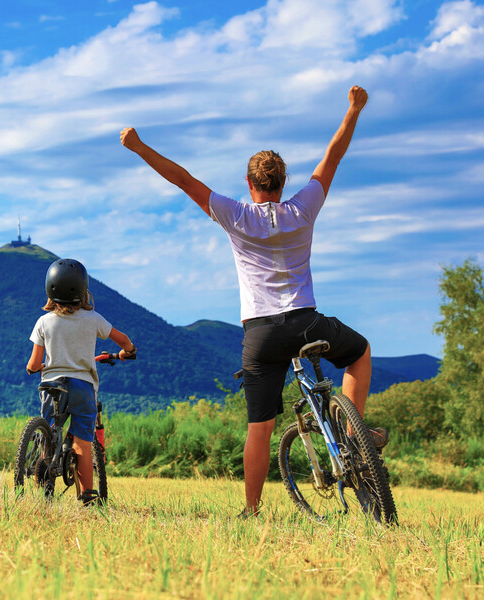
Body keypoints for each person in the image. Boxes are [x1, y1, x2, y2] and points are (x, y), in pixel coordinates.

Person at [120, 85, 386, 517]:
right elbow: (332, 157)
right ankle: (354, 437)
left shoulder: (236, 214)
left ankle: (252, 510)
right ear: (283, 183)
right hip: (305, 322)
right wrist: (353, 109)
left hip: (259, 334)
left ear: (249, 184)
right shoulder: (303, 209)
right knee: (359, 353)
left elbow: (183, 179)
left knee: (259, 428)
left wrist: (138, 147)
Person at [26, 258, 136, 506]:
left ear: (50, 290)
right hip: (83, 387)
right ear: (83, 289)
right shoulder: (93, 319)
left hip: (52, 386)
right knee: (82, 443)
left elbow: (34, 363)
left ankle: (46, 477)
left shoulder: (44, 322)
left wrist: (33, 368)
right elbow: (123, 339)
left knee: (50, 433)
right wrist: (128, 350)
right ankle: (86, 495)